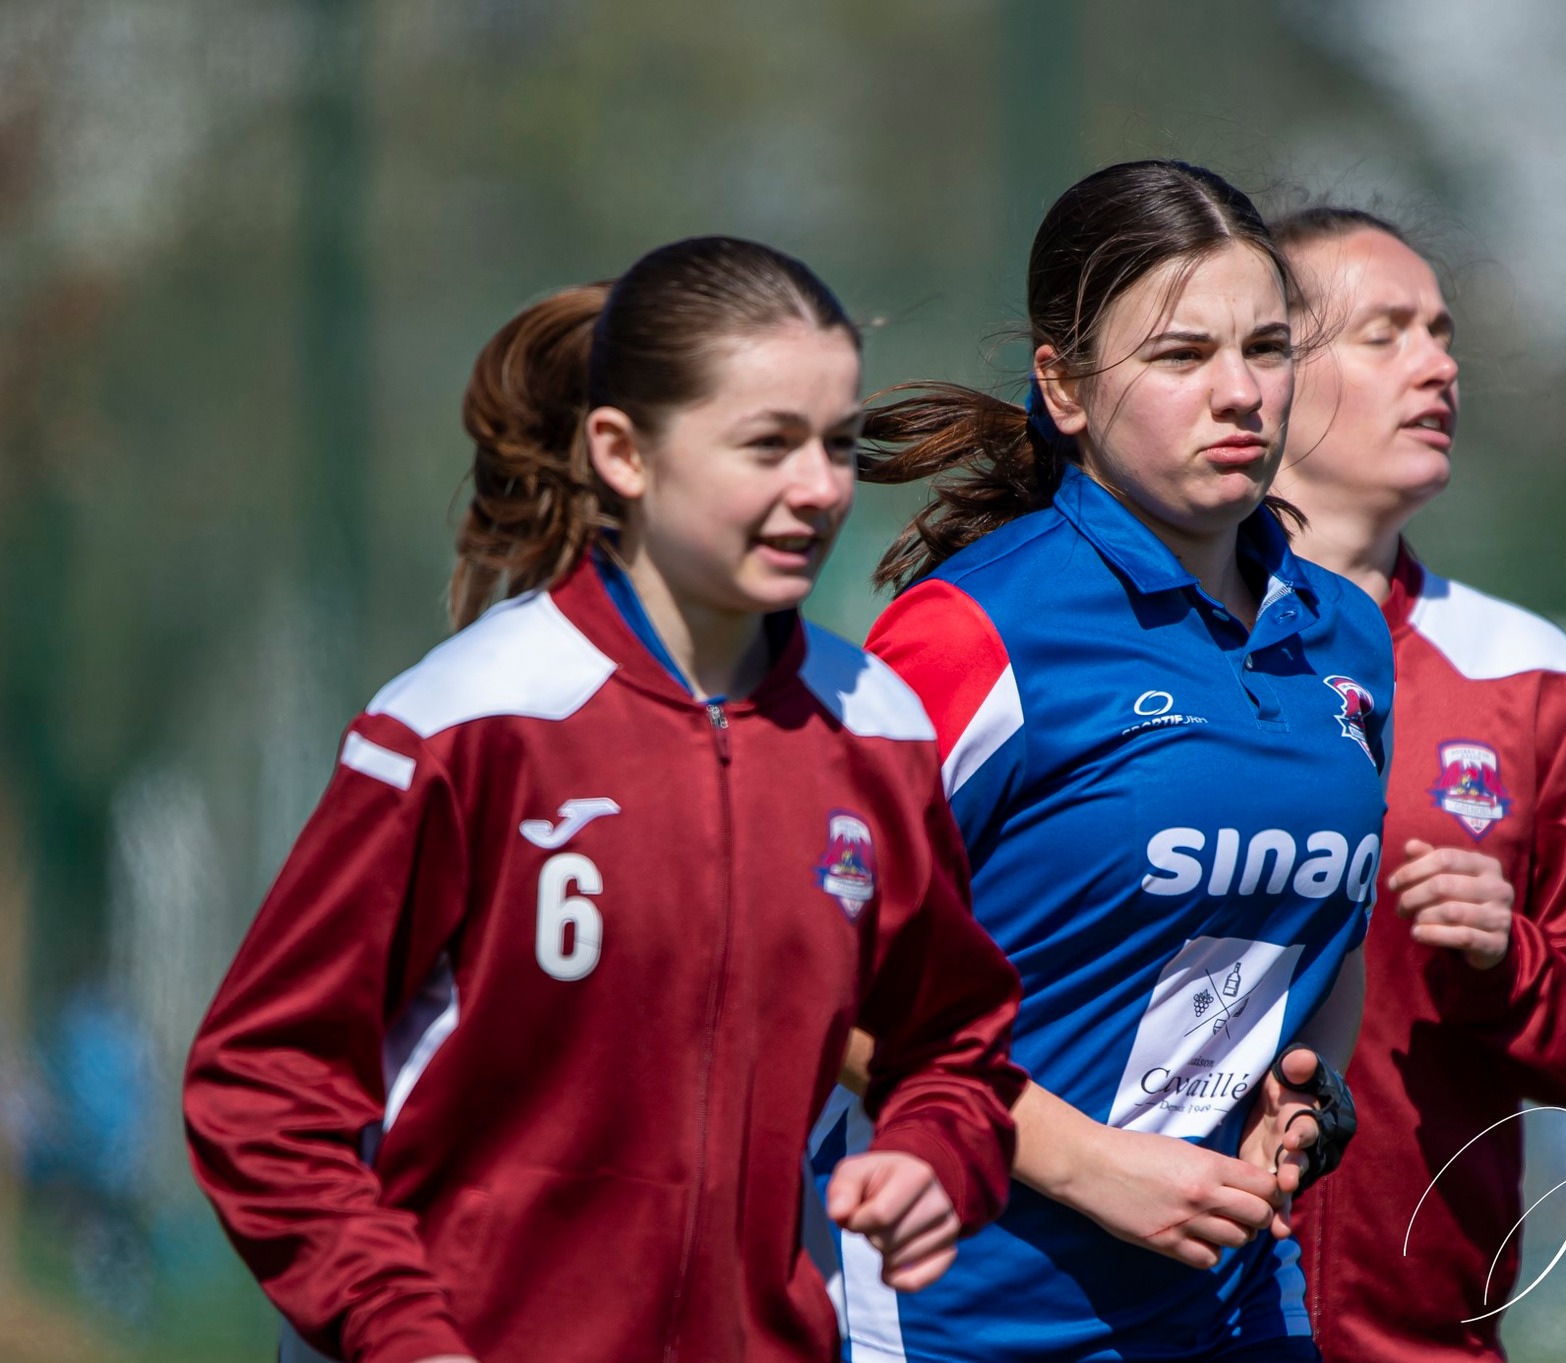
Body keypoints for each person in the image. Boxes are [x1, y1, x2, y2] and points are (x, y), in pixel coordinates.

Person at [183, 236, 1028, 1363]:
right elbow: (262, 1082)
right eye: (768, 445)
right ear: (622, 452)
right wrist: (403, 1331)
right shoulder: (464, 725)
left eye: (834, 443)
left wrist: (935, 1154)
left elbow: (954, 1043)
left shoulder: (871, 728)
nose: (820, 488)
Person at [813, 161, 1393, 1363]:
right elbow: (814, 971)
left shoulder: (1345, 635)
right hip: (955, 1310)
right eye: (1178, 357)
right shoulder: (973, 632)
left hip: (1234, 1303)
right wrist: (1096, 1168)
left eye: (1267, 348)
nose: (1239, 393)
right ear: (1063, 388)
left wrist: (1305, 1092)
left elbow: (1320, 938)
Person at [1265, 205, 1566, 1362]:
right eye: (1385, 331)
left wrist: (1515, 959)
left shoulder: (1527, 674)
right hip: (1136, 1325)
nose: (1438, 362)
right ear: (1267, 374)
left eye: (1441, 332)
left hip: (1419, 1338)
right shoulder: (1132, 653)